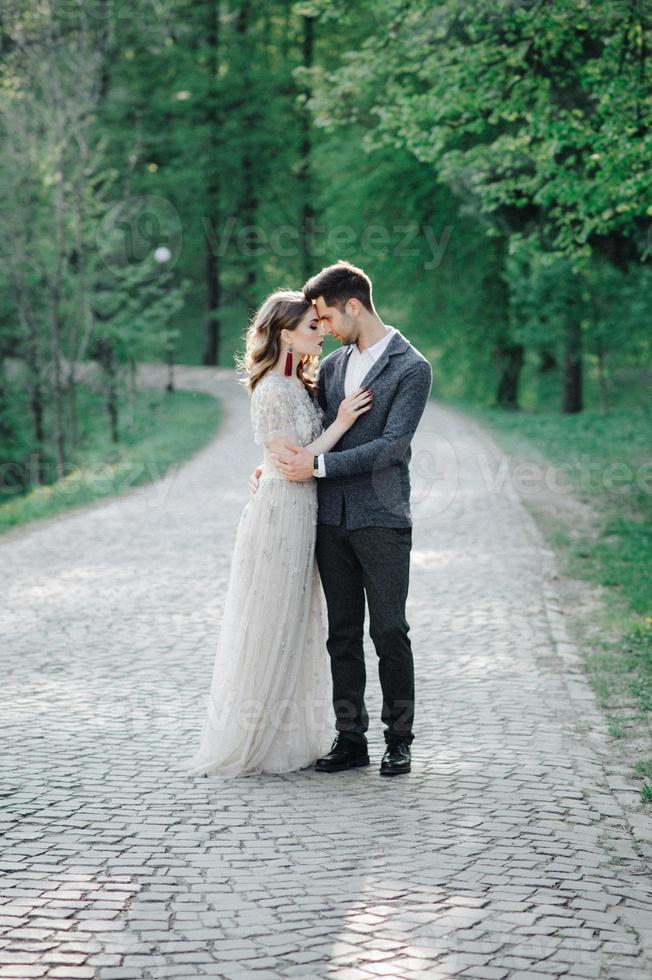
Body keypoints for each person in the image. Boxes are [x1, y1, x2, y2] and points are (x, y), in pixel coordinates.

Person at [250, 261, 432, 776]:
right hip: (329, 518)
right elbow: (308, 430)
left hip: (382, 517)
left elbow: (392, 447)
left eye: (327, 316)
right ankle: (350, 738)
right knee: (342, 634)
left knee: (390, 630)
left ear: (353, 306)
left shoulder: (411, 367)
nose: (323, 328)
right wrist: (272, 465)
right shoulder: (331, 368)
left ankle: (400, 739)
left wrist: (318, 466)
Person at [183, 289, 373, 777]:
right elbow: (294, 466)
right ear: (286, 334)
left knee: (297, 621)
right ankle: (256, 740)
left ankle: (289, 735)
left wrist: (264, 464)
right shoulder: (271, 389)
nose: (322, 331)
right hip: (281, 514)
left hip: (302, 512)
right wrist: (344, 421)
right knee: (271, 618)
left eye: (321, 323)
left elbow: (285, 454)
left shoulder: (301, 384)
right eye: (312, 326)